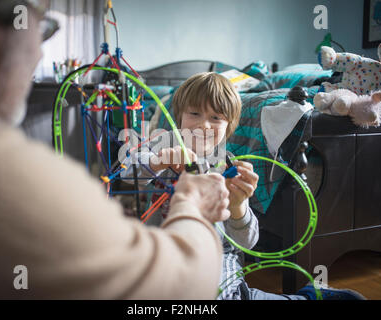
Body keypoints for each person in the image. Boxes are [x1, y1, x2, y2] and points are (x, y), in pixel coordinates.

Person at [0, 0, 233, 299]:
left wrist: (236, 211)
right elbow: (178, 290)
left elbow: (243, 234)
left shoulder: (225, 161)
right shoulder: (3, 177)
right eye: (42, 31)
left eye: (216, 118)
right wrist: (190, 202)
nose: (39, 54)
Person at [121, 72, 366, 300]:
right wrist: (159, 161)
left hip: (219, 274)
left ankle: (310, 294)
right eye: (194, 113)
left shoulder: (229, 167)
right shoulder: (164, 144)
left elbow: (246, 242)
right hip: (166, 260)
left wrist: (238, 206)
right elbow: (127, 171)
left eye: (216, 118)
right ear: (179, 116)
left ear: (228, 128)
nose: (204, 125)